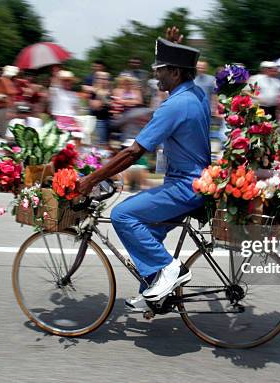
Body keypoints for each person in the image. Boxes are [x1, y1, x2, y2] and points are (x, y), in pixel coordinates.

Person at [77, 27, 210, 311]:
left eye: (160, 69)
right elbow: (173, 98)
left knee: (122, 215)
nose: (155, 75)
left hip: (185, 187)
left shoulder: (175, 105)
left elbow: (134, 152)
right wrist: (173, 49)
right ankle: (156, 294)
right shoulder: (196, 94)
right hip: (196, 183)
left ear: (174, 72)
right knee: (148, 228)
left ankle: (170, 270)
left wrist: (92, 178)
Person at [88, 71, 113, 145]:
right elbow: (95, 106)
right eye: (101, 78)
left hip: (108, 120)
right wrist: (104, 98)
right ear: (97, 79)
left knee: (106, 144)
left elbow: (112, 106)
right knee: (100, 144)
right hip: (98, 121)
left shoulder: (110, 92)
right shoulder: (94, 91)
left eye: (106, 79)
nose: (104, 81)